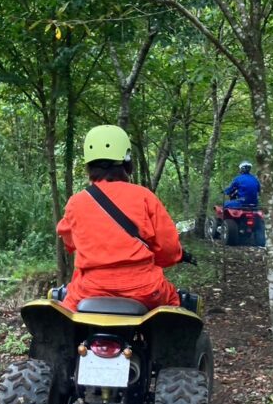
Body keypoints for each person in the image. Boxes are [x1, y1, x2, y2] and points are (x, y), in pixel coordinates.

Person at [56, 125, 193, 312]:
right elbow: (168, 250)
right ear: (127, 161)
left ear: (89, 165)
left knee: (66, 318)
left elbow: (69, 242)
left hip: (89, 290)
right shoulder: (144, 197)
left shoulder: (76, 202)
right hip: (145, 290)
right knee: (176, 310)